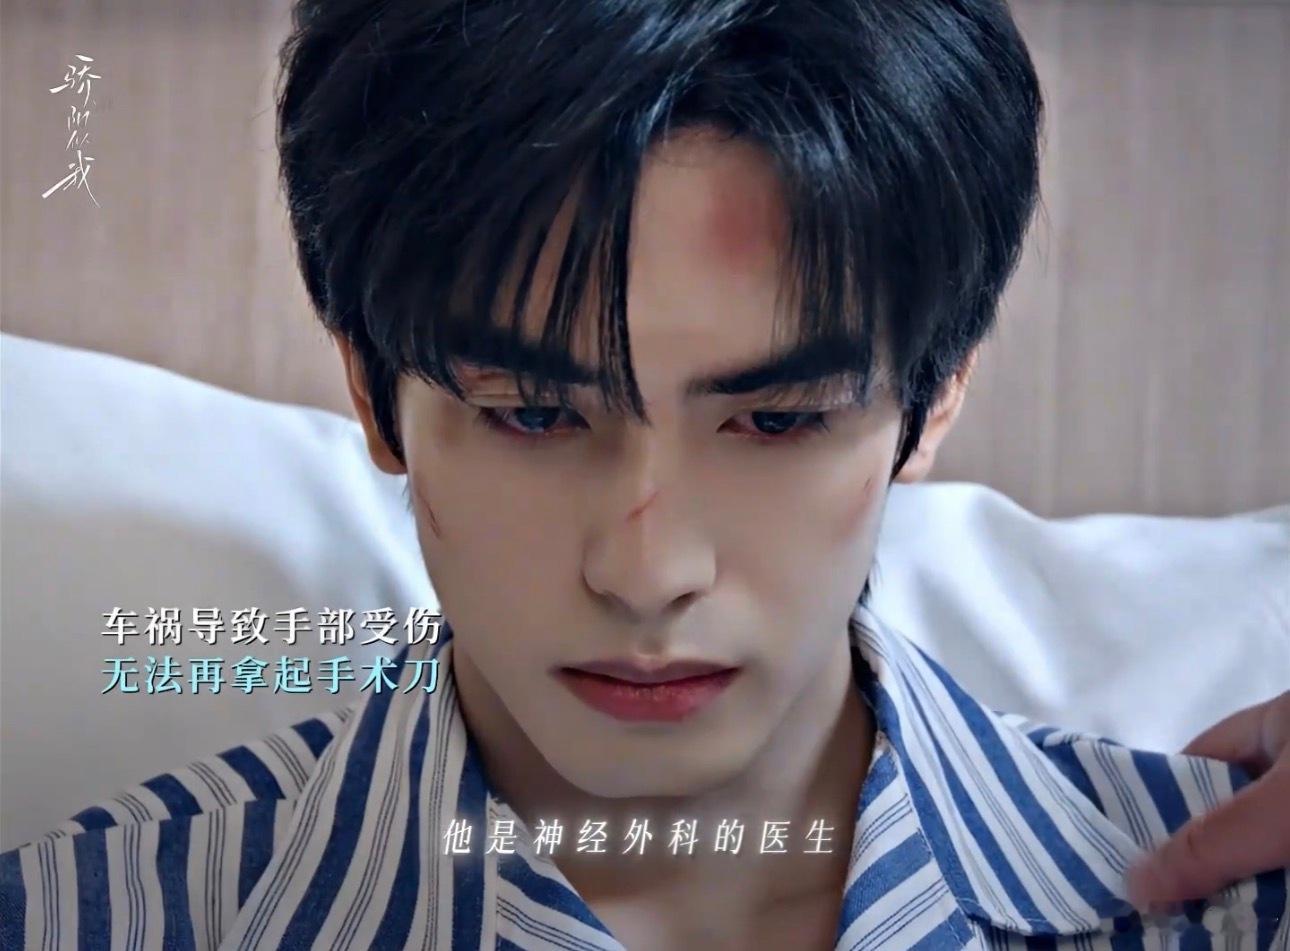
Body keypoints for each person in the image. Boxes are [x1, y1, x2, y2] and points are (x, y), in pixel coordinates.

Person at [2, 0, 1287, 948]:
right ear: (370, 391)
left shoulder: (1234, 903)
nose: (647, 568)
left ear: (935, 396)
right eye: (530, 415)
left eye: (775, 420)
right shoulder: (86, 917)